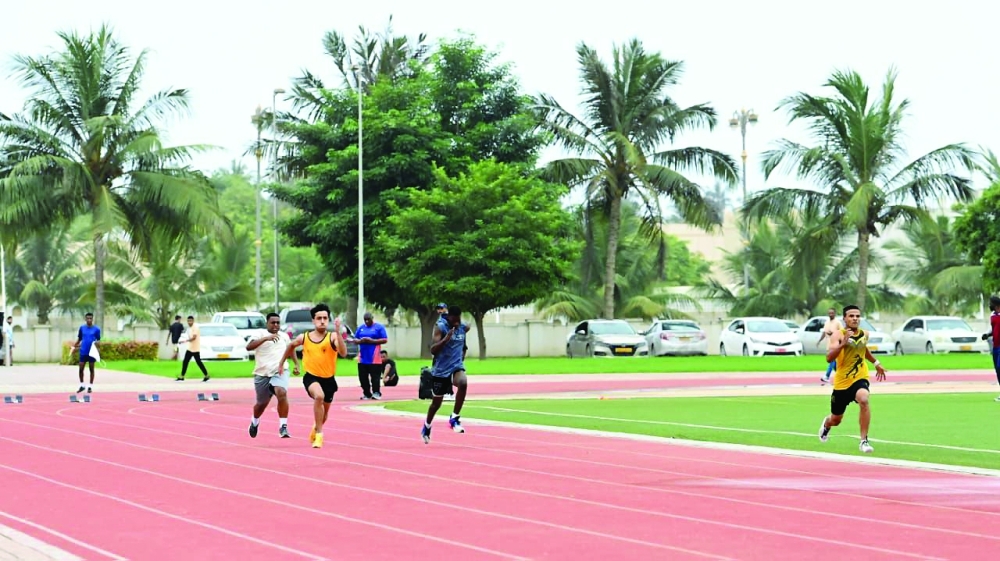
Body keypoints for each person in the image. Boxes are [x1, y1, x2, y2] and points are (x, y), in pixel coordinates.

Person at [818, 305, 887, 454]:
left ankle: (864, 440)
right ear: (844, 318)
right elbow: (829, 358)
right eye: (851, 316)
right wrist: (843, 343)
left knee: (864, 399)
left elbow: (863, 349)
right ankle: (827, 424)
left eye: (857, 316)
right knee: (836, 419)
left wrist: (876, 363)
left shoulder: (865, 334)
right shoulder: (838, 335)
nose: (855, 318)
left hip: (860, 377)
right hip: (842, 383)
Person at [280, 303, 346, 449]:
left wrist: (338, 332)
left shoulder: (332, 336)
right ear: (313, 320)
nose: (322, 321)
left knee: (325, 415)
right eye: (319, 318)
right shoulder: (304, 337)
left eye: (325, 318)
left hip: (329, 379)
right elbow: (290, 346)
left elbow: (343, 353)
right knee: (319, 397)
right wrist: (286, 364)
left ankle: (316, 427)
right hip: (311, 377)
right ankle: (320, 436)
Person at [421, 306, 471, 444]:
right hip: (441, 369)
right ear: (449, 317)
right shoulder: (440, 328)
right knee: (436, 404)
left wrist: (462, 357)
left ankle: (454, 417)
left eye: (459, 319)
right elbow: (433, 349)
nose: (457, 322)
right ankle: (427, 425)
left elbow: (466, 331)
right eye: (455, 320)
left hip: (456, 366)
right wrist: (446, 339)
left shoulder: (462, 327)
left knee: (463, 382)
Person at [247, 313, 292, 439]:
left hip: (280, 371)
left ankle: (283, 426)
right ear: (267, 323)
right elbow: (249, 347)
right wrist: (266, 338)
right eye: (273, 322)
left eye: (278, 322)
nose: (276, 325)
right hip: (262, 374)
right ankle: (255, 421)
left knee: (281, 392)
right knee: (261, 404)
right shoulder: (259, 334)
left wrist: (297, 365)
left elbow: (290, 349)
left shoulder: (284, 336)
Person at [354, 312, 388, 400]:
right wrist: (359, 341)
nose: (367, 321)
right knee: (363, 377)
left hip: (374, 357)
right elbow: (355, 338)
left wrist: (372, 341)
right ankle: (366, 393)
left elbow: (384, 339)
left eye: (369, 319)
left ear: (372, 318)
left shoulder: (379, 327)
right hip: (363, 357)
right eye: (365, 320)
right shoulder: (361, 328)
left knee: (375, 377)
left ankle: (376, 392)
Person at [71, 312, 101, 394]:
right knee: (81, 369)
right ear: (85, 319)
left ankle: (90, 386)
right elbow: (79, 339)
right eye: (87, 318)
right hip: (83, 351)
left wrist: (98, 350)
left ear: (92, 319)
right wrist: (74, 347)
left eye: (90, 318)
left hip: (91, 352)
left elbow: (98, 341)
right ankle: (82, 385)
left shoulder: (97, 329)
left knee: (91, 369)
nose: (89, 320)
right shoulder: (82, 328)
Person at [176, 316, 209, 382]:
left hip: (195, 348)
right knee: (185, 361)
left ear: (193, 321)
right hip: (190, 348)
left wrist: (184, 341)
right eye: (188, 321)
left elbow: (194, 337)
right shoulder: (190, 328)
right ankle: (182, 376)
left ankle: (206, 375)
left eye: (190, 321)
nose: (189, 322)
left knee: (198, 362)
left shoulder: (195, 328)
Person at [981, 295, 1000, 402]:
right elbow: (994, 329)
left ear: (997, 305)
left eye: (991, 303)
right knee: (998, 371)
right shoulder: (993, 315)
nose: (990, 305)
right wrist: (987, 335)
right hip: (996, 346)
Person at [818, 307, 843, 384]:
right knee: (834, 364)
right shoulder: (827, 322)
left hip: (836, 345)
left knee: (831, 361)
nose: (830, 314)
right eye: (829, 313)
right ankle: (840, 377)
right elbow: (824, 332)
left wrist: (833, 334)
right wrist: (819, 341)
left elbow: (841, 333)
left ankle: (827, 376)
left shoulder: (838, 322)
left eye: (832, 313)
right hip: (829, 345)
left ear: (835, 313)